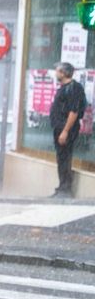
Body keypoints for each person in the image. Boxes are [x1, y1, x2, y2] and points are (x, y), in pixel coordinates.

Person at [50, 62, 87, 198]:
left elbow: (74, 111)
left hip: (66, 129)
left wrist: (65, 131)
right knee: (61, 158)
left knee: (65, 157)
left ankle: (66, 189)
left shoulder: (74, 88)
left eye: (57, 71)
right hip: (59, 128)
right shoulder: (64, 87)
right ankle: (61, 186)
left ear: (64, 73)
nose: (56, 73)